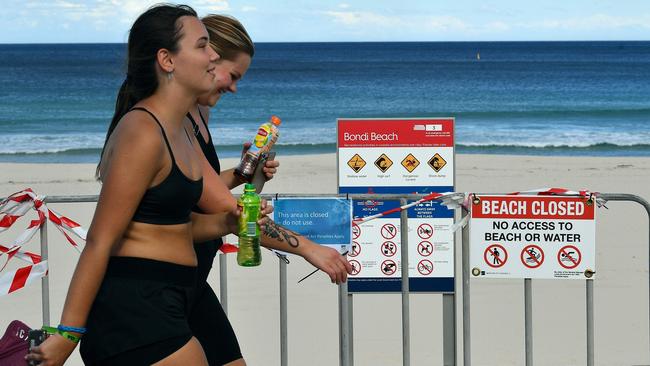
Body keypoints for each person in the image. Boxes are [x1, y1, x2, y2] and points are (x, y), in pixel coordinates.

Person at [25, 5, 266, 366]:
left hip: (173, 295)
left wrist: (228, 223)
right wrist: (69, 334)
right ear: (167, 60)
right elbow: (101, 240)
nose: (214, 54)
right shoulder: (142, 131)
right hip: (136, 307)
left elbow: (170, 226)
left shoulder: (179, 130)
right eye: (202, 45)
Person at [185, 15, 353, 365]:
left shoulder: (198, 113)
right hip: (158, 289)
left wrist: (243, 172)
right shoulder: (175, 121)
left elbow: (199, 186)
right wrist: (308, 248)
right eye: (233, 76)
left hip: (191, 281)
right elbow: (228, 211)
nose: (233, 88)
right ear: (208, 57)